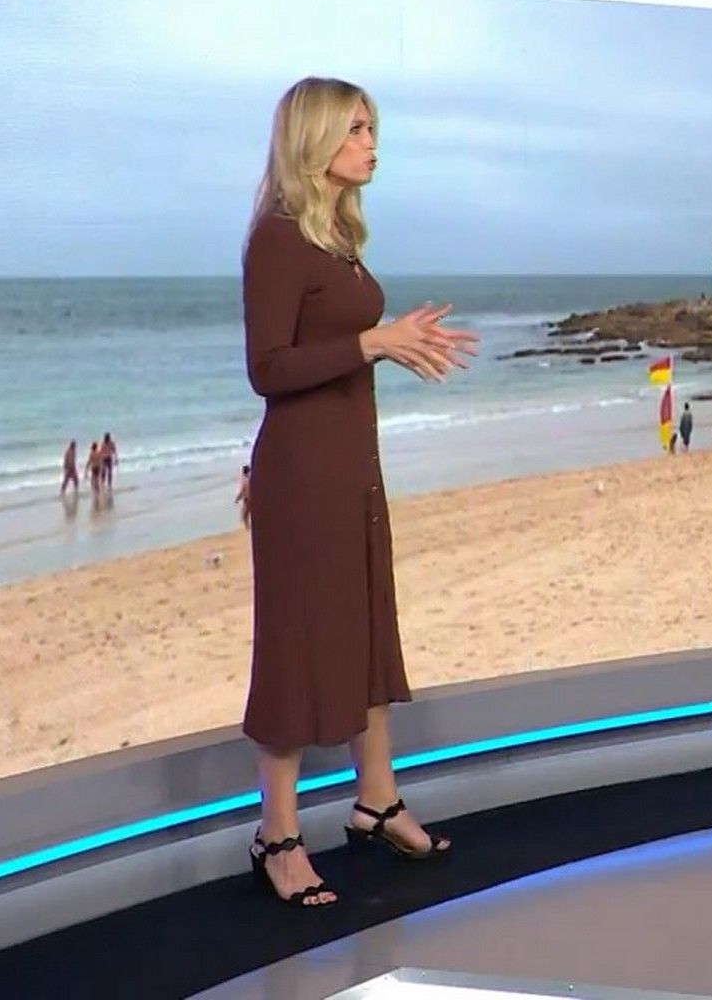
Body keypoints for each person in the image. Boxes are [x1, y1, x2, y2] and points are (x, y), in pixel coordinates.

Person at [239, 76, 478, 909]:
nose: (373, 144)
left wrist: (390, 344)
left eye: (373, 128)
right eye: (357, 129)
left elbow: (336, 351)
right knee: (297, 647)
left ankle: (376, 800)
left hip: (352, 469)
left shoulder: (335, 238)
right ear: (315, 140)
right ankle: (276, 837)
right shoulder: (277, 239)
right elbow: (268, 368)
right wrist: (375, 340)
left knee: (368, 629)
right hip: (303, 477)